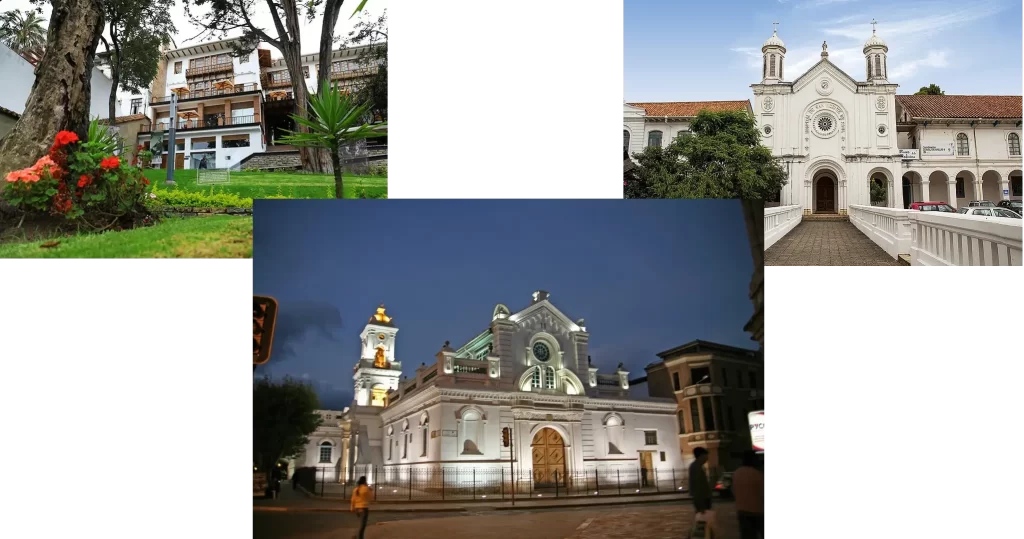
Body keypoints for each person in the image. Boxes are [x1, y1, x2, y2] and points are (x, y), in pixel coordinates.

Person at [732, 450, 765, 539]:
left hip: (742, 511)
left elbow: (734, 491)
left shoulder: (737, 473)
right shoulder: (757, 473)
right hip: (758, 511)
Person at [688, 447, 712, 513]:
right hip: (702, 500)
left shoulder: (699, 466)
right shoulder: (696, 467)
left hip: (703, 499)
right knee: (703, 517)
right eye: (706, 455)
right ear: (701, 456)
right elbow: (697, 486)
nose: (707, 458)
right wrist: (701, 505)